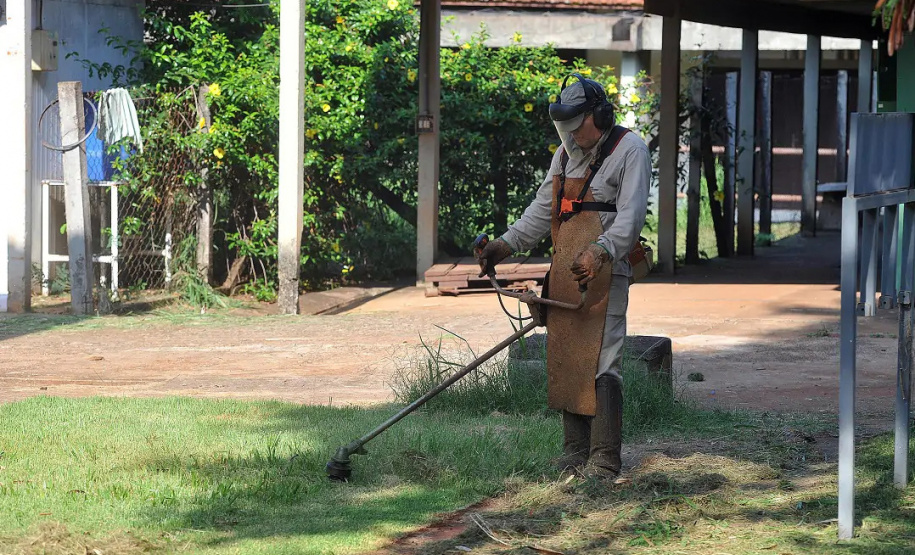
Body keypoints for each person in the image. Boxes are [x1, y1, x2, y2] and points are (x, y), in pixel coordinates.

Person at [477, 74, 651, 479]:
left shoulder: (631, 151)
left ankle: (604, 459)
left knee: (602, 361)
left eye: (579, 126)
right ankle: (574, 455)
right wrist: (502, 245)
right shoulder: (565, 154)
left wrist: (602, 250)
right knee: (568, 358)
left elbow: (630, 217)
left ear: (601, 115)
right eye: (566, 128)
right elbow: (543, 211)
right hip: (564, 272)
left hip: (607, 273)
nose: (572, 135)